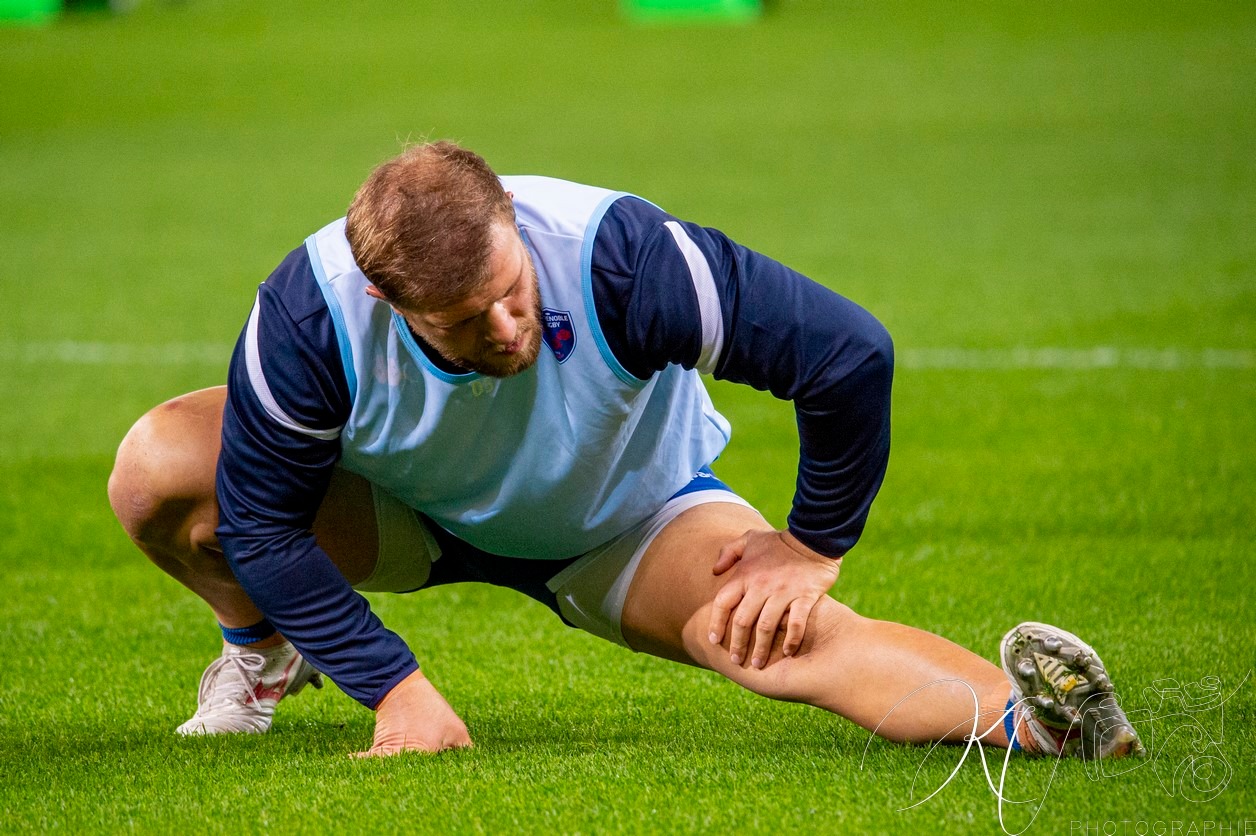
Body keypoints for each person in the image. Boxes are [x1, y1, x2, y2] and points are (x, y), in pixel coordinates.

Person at [107, 141, 1143, 760]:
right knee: (161, 469)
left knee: (781, 640)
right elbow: (263, 522)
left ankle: (1041, 723)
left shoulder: (619, 257)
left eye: (510, 291)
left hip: (626, 519)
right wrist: (397, 691)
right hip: (400, 509)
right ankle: (261, 656)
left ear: (511, 219)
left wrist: (810, 544)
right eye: (463, 322)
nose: (506, 329)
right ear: (386, 297)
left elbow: (846, 354)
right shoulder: (311, 316)